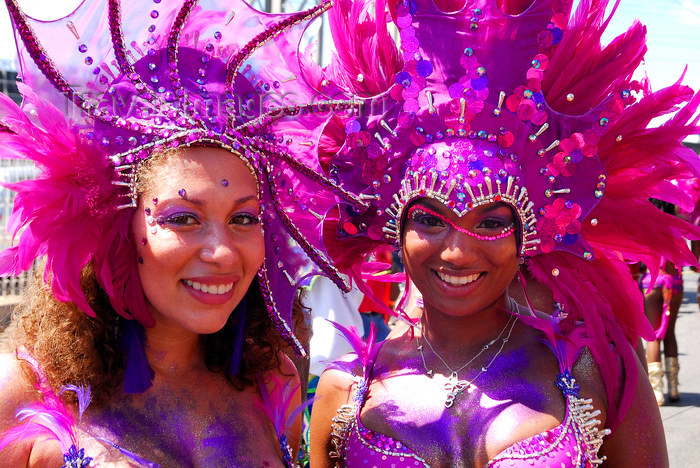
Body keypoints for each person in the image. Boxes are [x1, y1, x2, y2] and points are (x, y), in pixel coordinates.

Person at [308, 0, 700, 466]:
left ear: (528, 234)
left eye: (491, 222)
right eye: (430, 219)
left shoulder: (595, 373)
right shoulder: (346, 390)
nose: (456, 251)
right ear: (395, 225)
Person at [0, 0, 363, 465]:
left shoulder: (275, 379)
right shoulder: (27, 393)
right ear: (117, 224)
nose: (222, 253)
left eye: (244, 218)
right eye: (183, 218)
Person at [640, 201, 684, 405]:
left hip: (652, 283)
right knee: (670, 333)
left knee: (652, 337)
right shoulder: (678, 225)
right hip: (673, 283)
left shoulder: (645, 226)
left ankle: (657, 393)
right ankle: (674, 388)